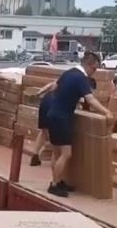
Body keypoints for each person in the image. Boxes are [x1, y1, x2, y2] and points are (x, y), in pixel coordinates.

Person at [44, 52, 113, 198]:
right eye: (94, 68)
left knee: (56, 153)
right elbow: (90, 99)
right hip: (62, 117)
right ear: (88, 64)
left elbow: (54, 87)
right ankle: (54, 185)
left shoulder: (69, 72)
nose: (94, 72)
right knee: (66, 153)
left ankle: (58, 180)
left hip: (53, 114)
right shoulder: (81, 78)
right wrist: (106, 112)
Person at [29, 90, 55, 166]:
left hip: (46, 101)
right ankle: (56, 159)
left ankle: (35, 155)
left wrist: (37, 93)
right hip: (54, 104)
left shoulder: (59, 82)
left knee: (44, 131)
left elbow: (49, 86)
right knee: (56, 132)